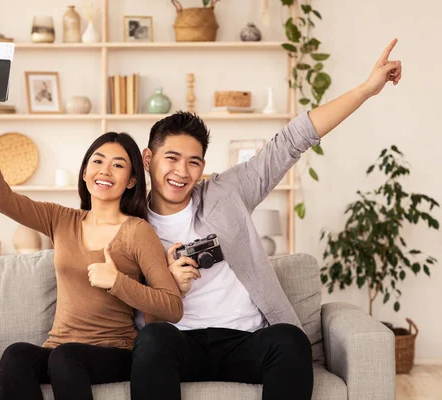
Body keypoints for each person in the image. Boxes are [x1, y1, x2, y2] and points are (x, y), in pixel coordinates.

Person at [130, 38, 403, 400]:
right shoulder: (130, 224)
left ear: (203, 167)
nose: (182, 171)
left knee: (290, 340)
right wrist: (167, 285)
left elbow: (292, 140)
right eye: (172, 158)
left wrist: (368, 89)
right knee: (151, 340)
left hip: (244, 339)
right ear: (148, 159)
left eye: (193, 161)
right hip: (177, 342)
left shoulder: (226, 193)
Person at [0, 86, 183, 400]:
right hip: (59, 348)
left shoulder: (137, 231)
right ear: (84, 173)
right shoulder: (61, 220)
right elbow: (1, 199)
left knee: (66, 358)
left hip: (115, 353)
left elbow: (172, 306)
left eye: (118, 165)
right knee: (15, 355)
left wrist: (117, 282)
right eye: (97, 161)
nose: (105, 170)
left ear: (132, 181)